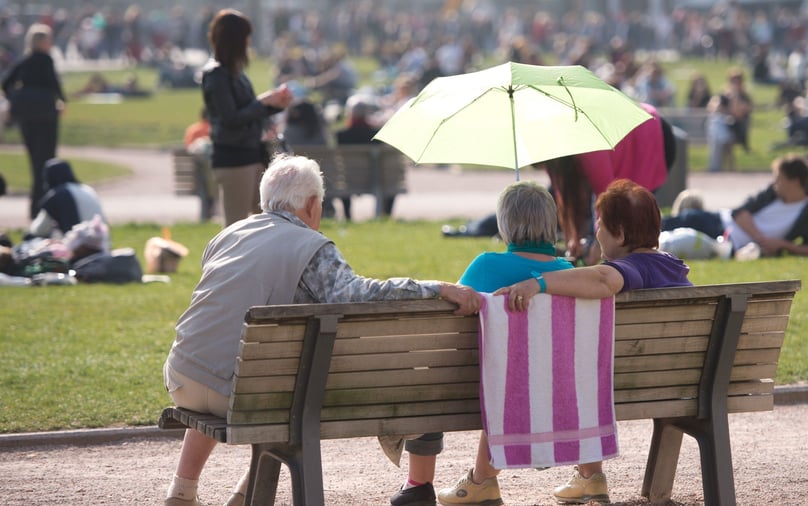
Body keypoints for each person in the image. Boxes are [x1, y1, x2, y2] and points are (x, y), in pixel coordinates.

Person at [162, 154, 482, 506]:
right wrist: (435, 287)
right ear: (313, 204)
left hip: (183, 378)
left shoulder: (229, 234)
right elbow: (357, 296)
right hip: (239, 397)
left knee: (242, 364)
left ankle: (182, 491)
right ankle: (245, 496)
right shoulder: (311, 246)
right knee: (293, 396)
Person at [438, 179, 691, 506]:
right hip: (676, 380)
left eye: (600, 225)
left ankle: (482, 480)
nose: (596, 233)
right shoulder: (673, 266)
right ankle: (591, 476)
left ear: (621, 235)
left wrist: (538, 283)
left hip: (595, 385)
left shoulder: (624, 270)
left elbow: (604, 278)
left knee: (513, 368)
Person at [391, 180, 575, 506]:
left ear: (505, 224)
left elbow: (446, 318)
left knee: (433, 375)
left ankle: (418, 483)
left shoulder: (487, 265)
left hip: (475, 390)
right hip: (549, 391)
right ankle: (482, 481)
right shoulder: (567, 272)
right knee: (509, 373)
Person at [541, 102, 674, 265]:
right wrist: (573, 239)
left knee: (635, 219)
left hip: (651, 133)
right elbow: (565, 200)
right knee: (622, 230)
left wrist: (599, 247)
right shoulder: (555, 160)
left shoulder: (589, 150)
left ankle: (639, 267)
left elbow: (608, 200)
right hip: (633, 140)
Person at [201, 9, 292, 227]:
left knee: (265, 221)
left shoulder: (235, 72)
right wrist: (263, 102)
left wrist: (273, 106)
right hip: (233, 158)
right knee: (236, 226)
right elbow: (230, 118)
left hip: (252, 153)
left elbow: (247, 111)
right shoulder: (216, 75)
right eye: (246, 36)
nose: (249, 42)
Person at [662, 154, 808, 258]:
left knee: (673, 246)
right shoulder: (772, 193)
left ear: (794, 181)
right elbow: (740, 214)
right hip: (720, 223)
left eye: (779, 178)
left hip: (733, 248)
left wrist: (781, 244)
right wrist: (762, 239)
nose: (775, 183)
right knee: (683, 220)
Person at [1, 23, 66, 219]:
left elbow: (6, 84)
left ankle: (35, 207)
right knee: (46, 162)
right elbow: (54, 84)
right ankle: (43, 208)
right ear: (41, 42)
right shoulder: (46, 60)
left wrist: (17, 99)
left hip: (25, 115)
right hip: (46, 115)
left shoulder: (23, 61)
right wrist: (62, 101)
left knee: (34, 161)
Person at [335, 96, 393, 219]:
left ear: (350, 113)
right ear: (367, 113)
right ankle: (385, 215)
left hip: (348, 180)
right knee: (389, 179)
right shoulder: (376, 135)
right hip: (375, 179)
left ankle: (347, 216)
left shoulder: (341, 136)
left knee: (343, 178)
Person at [28, 158, 106, 239]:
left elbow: (39, 230)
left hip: (81, 246)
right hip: (102, 242)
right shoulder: (86, 189)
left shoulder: (57, 195)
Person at [706, 94, 735, 172]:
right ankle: (714, 167)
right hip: (715, 136)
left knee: (721, 141)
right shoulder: (714, 116)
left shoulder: (725, 115)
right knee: (716, 141)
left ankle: (716, 167)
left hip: (724, 136)